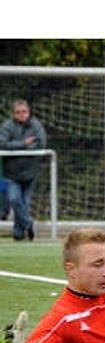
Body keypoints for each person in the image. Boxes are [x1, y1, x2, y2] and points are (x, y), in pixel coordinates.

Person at [0, 99, 47, 242]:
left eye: (24, 111)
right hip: (12, 174)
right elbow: (2, 144)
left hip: (30, 173)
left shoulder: (36, 125)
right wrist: (23, 144)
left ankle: (19, 234)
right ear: (13, 114)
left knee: (24, 203)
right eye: (18, 112)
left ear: (29, 112)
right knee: (14, 199)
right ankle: (28, 224)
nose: (21, 114)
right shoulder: (7, 126)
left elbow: (41, 143)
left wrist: (19, 147)